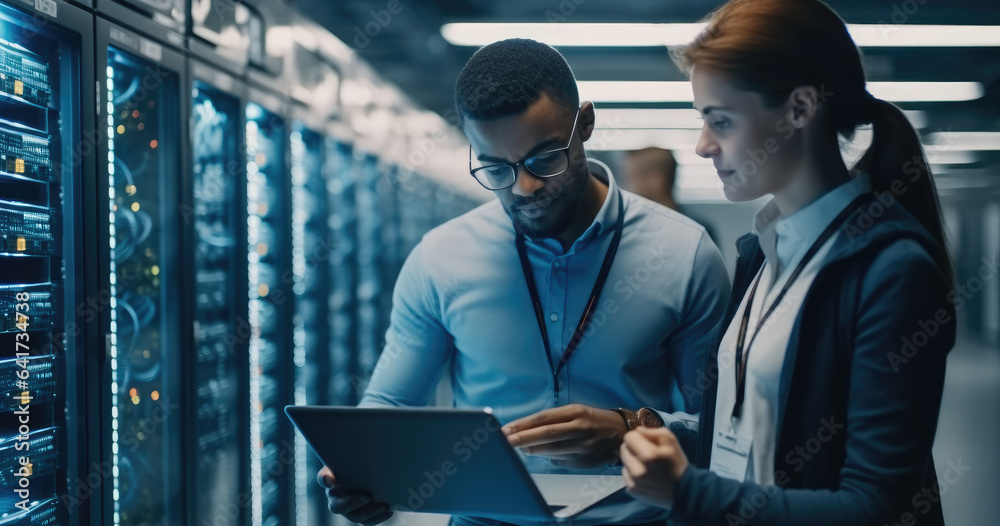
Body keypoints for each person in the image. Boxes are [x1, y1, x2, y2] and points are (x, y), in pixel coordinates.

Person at [317, 38, 731, 526]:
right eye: (495, 168)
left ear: (586, 125)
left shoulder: (684, 253)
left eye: (543, 159)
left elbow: (723, 432)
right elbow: (389, 405)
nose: (523, 187)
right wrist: (364, 473)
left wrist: (631, 430)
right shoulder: (440, 257)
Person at [617, 1, 956, 525]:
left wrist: (687, 493)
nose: (704, 146)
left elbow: (875, 508)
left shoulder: (892, 271)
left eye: (721, 121)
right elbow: (756, 430)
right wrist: (630, 430)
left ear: (799, 109)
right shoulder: (762, 254)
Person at [623, 147, 718, 243]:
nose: (627, 188)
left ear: (656, 180)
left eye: (632, 179)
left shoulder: (698, 232)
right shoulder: (631, 228)